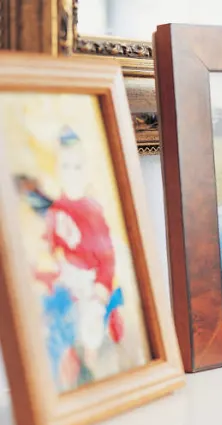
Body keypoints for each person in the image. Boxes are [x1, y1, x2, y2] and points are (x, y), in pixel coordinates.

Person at [40, 126, 125, 390]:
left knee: (89, 318)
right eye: (66, 167)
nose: (71, 174)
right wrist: (48, 260)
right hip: (67, 274)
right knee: (51, 313)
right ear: (57, 171)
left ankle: (89, 366)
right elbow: (50, 242)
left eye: (78, 167)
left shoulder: (92, 211)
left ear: (86, 171)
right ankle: (64, 361)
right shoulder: (56, 209)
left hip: (91, 278)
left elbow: (107, 256)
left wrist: (101, 288)